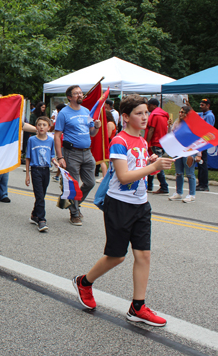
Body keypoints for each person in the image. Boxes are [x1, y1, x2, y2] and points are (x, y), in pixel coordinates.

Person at [72, 94, 173, 327]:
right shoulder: (119, 140)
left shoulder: (142, 141)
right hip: (120, 205)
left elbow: (137, 166)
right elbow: (124, 176)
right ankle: (84, 282)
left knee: (143, 255)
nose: (145, 117)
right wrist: (152, 167)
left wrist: (150, 160)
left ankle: (138, 307)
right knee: (117, 256)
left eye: (146, 112)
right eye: (139, 113)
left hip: (141, 205)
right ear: (125, 117)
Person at [54, 85, 102, 226]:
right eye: (76, 94)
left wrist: (97, 127)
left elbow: (92, 132)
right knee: (73, 184)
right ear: (69, 97)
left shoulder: (86, 111)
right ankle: (74, 213)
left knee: (90, 182)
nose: (80, 95)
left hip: (87, 152)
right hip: (71, 153)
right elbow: (57, 136)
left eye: (80, 93)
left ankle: (73, 203)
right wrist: (60, 157)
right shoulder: (64, 113)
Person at [25, 116, 54, 232]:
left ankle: (34, 214)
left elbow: (51, 155)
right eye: (39, 125)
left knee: (42, 194)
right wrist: (27, 174)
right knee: (40, 196)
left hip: (46, 170)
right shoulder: (32, 140)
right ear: (36, 127)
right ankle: (41, 220)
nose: (42, 127)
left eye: (44, 125)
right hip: (36, 170)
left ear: (49, 127)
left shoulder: (50, 140)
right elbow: (28, 157)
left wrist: (56, 162)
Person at [168, 106, 201, 203]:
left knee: (190, 174)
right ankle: (179, 193)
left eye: (183, 112)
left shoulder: (193, 124)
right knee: (179, 173)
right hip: (178, 150)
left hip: (189, 151)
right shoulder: (177, 123)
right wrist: (169, 126)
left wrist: (199, 154)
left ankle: (192, 194)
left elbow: (198, 139)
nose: (180, 114)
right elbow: (171, 135)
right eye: (180, 112)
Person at [146, 98, 170, 195]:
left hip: (155, 142)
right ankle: (149, 185)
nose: (148, 108)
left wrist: (146, 142)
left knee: (156, 165)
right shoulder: (164, 115)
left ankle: (164, 186)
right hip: (162, 142)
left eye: (148, 106)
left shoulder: (155, 115)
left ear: (153, 105)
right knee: (152, 164)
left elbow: (151, 130)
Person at [196, 98, 215, 191]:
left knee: (203, 163)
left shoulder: (209, 116)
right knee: (200, 163)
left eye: (202, 105)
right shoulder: (202, 114)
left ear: (208, 106)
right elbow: (194, 114)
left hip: (205, 141)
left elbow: (207, 130)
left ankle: (204, 184)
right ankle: (200, 183)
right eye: (200, 104)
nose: (200, 106)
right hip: (200, 141)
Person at [96, 110, 117, 183]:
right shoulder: (112, 123)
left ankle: (104, 177)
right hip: (110, 142)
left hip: (108, 143)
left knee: (103, 160)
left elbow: (107, 135)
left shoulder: (109, 123)